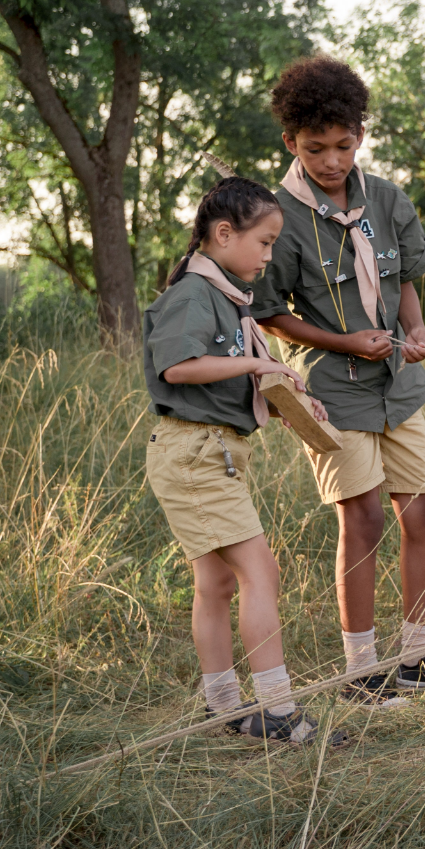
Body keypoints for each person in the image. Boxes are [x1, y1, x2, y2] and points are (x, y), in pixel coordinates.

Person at [251, 55, 425, 706]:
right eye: (316, 149)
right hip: (333, 386)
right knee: (362, 517)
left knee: (424, 510)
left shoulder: (387, 198)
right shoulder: (275, 217)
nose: (332, 160)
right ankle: (360, 674)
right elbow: (270, 312)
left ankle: (419, 655)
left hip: (398, 383)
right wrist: (342, 341)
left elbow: (406, 281)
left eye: (343, 145)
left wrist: (414, 333)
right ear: (290, 143)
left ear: (360, 135)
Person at [143, 175, 342, 746]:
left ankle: (224, 707)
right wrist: (259, 368)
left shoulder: (228, 297)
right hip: (194, 453)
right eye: (265, 241)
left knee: (216, 583)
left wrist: (288, 400)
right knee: (261, 573)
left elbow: (222, 379)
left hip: (210, 449)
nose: (269, 254)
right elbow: (179, 368)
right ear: (224, 233)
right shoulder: (193, 294)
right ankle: (277, 711)